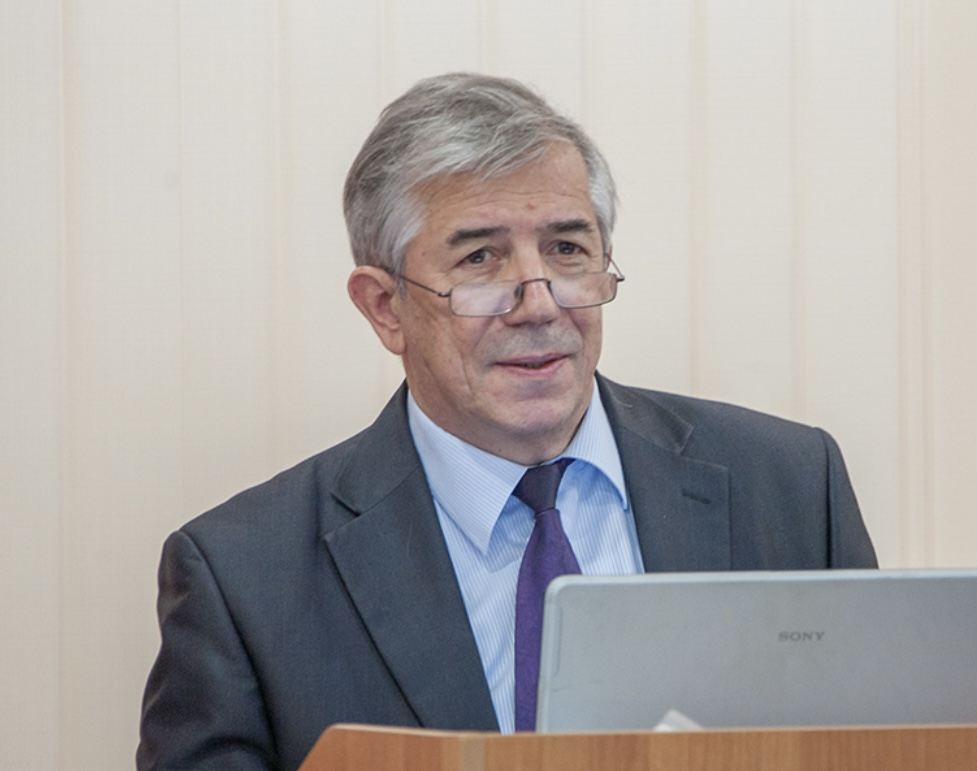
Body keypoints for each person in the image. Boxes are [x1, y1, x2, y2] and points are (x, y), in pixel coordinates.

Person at [137, 72, 876, 770]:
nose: (539, 302)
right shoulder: (244, 578)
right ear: (385, 307)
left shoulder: (788, 485)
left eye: (566, 249)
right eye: (480, 258)